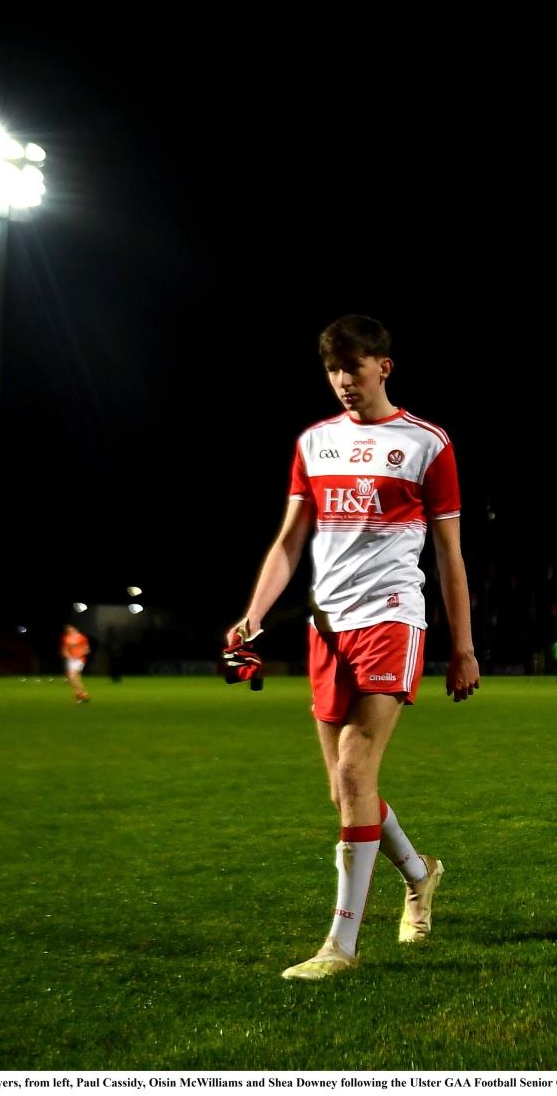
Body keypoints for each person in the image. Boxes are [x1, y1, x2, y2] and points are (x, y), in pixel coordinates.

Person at [220, 314, 480, 982]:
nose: (342, 380)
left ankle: (341, 944)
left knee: (357, 770)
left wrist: (463, 646)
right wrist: (253, 615)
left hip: (393, 618)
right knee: (343, 789)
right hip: (326, 627)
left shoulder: (426, 444)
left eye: (353, 367)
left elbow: (449, 556)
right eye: (333, 369)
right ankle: (420, 875)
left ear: (383, 367)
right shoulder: (314, 442)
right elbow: (288, 542)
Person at [61, 624, 91, 703]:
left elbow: (87, 650)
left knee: (72, 675)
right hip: (71, 660)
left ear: (75, 629)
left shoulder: (82, 637)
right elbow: (64, 649)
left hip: (80, 659)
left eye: (71, 628)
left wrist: (79, 654)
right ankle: (81, 694)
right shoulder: (66, 638)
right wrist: (68, 656)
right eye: (68, 629)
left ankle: (80, 694)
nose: (69, 630)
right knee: (74, 678)